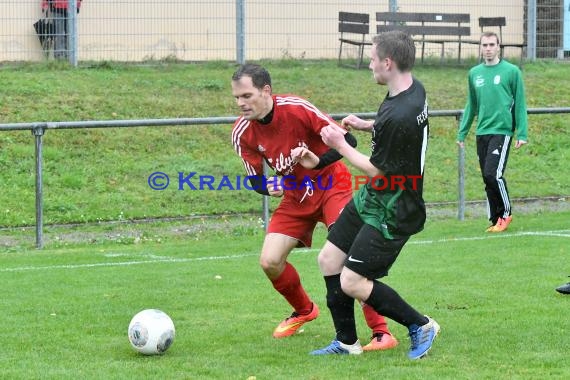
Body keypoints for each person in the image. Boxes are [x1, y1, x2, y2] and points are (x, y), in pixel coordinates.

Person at [230, 63, 398, 351]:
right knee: (269, 261)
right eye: (237, 98)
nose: (241, 103)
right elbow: (257, 181)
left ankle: (382, 332)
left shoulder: (296, 108)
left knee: (348, 258)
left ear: (266, 91)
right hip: (296, 197)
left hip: (332, 186)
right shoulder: (242, 133)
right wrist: (269, 187)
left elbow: (349, 140)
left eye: (247, 96)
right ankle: (304, 310)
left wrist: (316, 161)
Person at [300, 31, 439, 359]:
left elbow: (377, 170)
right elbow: (397, 136)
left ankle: (421, 325)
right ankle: (347, 343)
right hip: (377, 196)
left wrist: (340, 144)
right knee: (328, 259)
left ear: (388, 62)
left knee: (351, 281)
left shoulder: (400, 113)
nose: (369, 64)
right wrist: (367, 126)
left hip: (396, 205)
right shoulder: (410, 90)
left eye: (373, 58)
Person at [457, 31, 528, 233]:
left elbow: (520, 103)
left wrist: (522, 133)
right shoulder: (474, 73)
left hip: (502, 131)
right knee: (487, 178)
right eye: (484, 45)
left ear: (499, 47)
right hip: (482, 132)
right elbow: (472, 104)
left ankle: (506, 214)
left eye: (491, 45)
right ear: (481, 48)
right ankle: (495, 219)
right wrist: (462, 132)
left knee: (493, 174)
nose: (488, 48)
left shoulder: (512, 71)